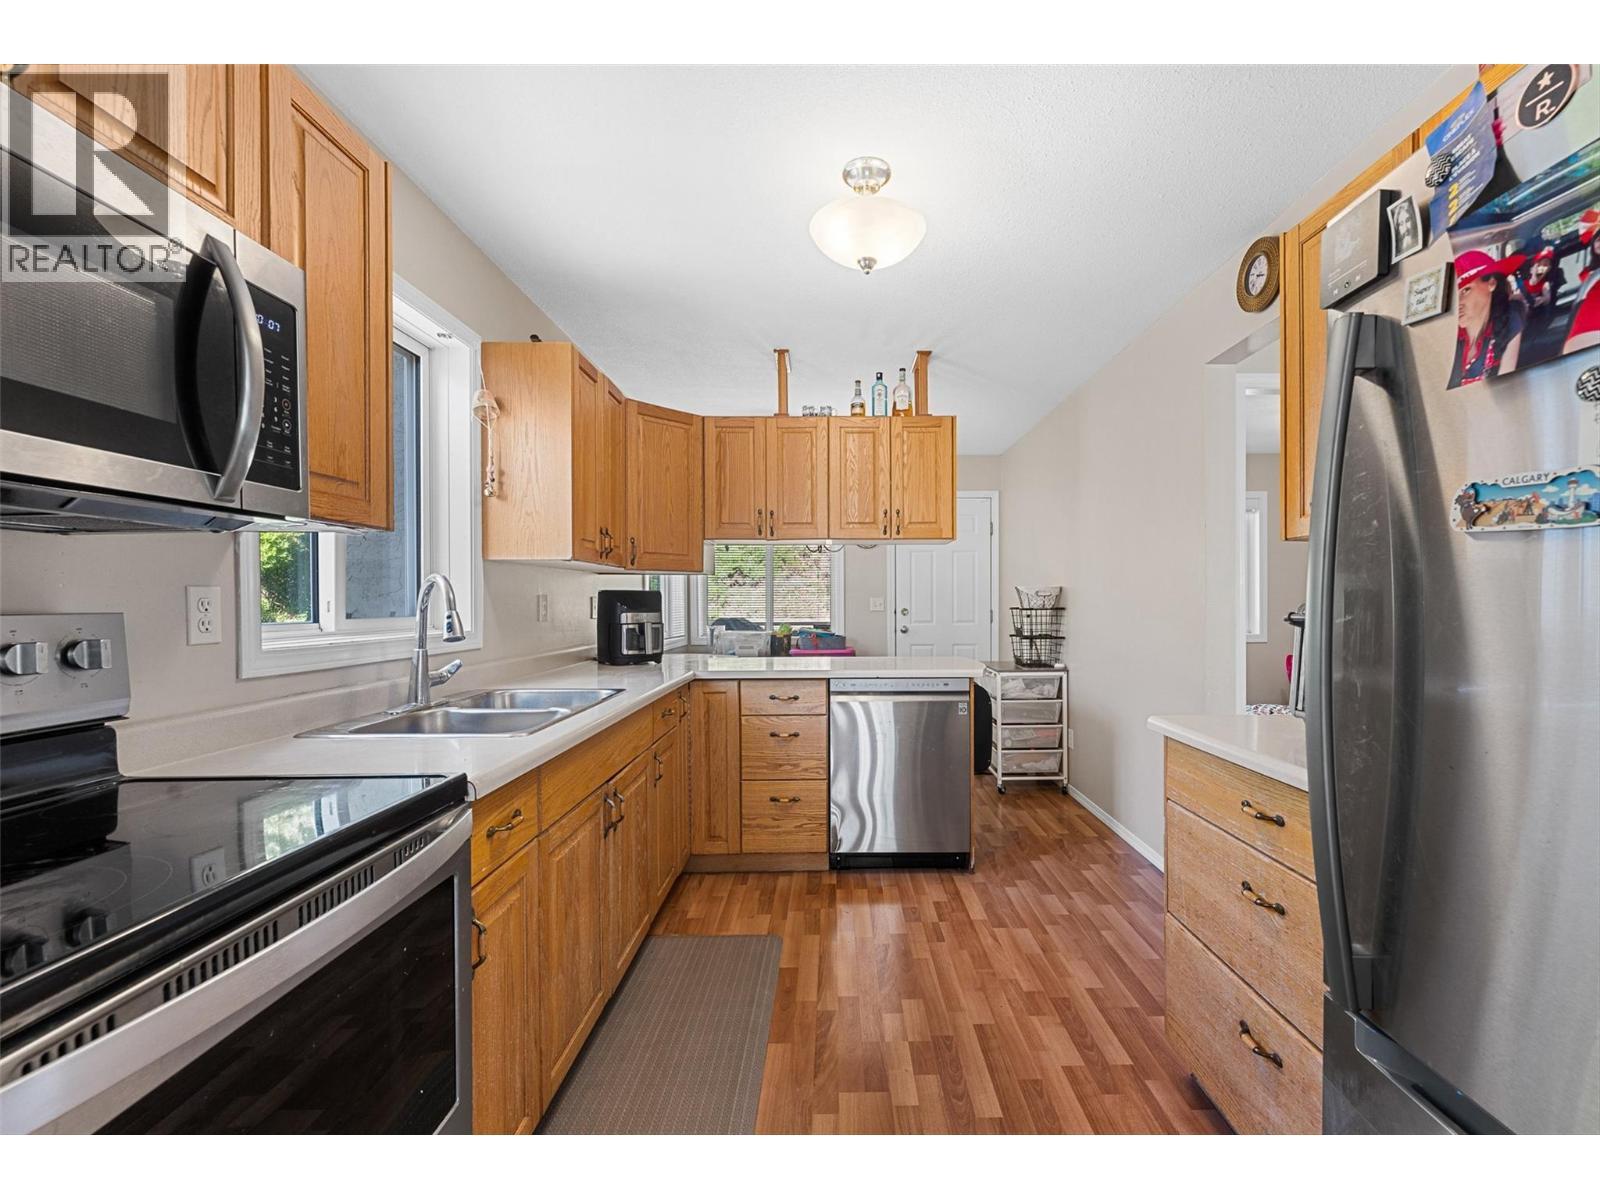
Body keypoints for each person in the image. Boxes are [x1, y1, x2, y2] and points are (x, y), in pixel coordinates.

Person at [1448, 250, 1525, 388]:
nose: (1458, 303)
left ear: (1491, 283)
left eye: (1466, 290)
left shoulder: (1510, 321)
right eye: (1454, 295)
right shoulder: (1449, 335)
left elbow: (1505, 385)